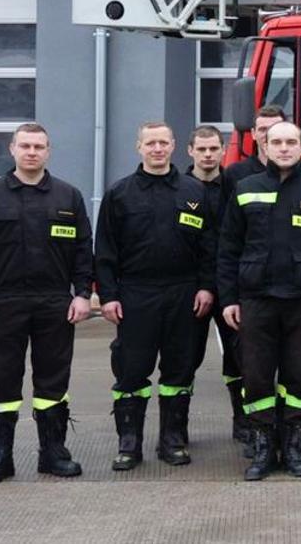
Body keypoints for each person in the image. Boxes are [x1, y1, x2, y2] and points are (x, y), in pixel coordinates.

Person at [218, 121, 301, 480]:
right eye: (276, 141)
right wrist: (229, 299)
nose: (284, 148)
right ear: (265, 145)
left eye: (291, 142)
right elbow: (228, 248)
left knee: (299, 375)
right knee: (257, 376)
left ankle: (293, 446)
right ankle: (263, 448)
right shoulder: (246, 188)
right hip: (256, 299)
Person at [0, 123, 93, 485]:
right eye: (25, 145)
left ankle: (53, 453)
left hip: (54, 302)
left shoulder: (68, 197)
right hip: (6, 302)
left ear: (49, 151)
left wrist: (83, 293)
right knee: (3, 380)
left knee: (53, 379)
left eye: (38, 146)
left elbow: (84, 250)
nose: (32, 152)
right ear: (12, 149)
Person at [95, 121, 216, 471]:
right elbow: (105, 251)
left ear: (175, 145)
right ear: (139, 147)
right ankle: (129, 444)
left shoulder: (194, 192)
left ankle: (173, 441)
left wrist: (207, 287)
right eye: (151, 143)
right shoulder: (120, 194)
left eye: (164, 142)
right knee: (132, 371)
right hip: (135, 294)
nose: (158, 149)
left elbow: (210, 247)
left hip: (183, 292)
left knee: (179, 369)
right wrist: (108, 295)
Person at [216, 103, 285, 450]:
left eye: (275, 128)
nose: (268, 134)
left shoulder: (299, 175)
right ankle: (244, 422)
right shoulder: (236, 175)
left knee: (288, 363)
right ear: (254, 134)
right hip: (248, 285)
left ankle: (283, 429)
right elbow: (226, 236)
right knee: (241, 357)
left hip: (286, 288)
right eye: (262, 129)